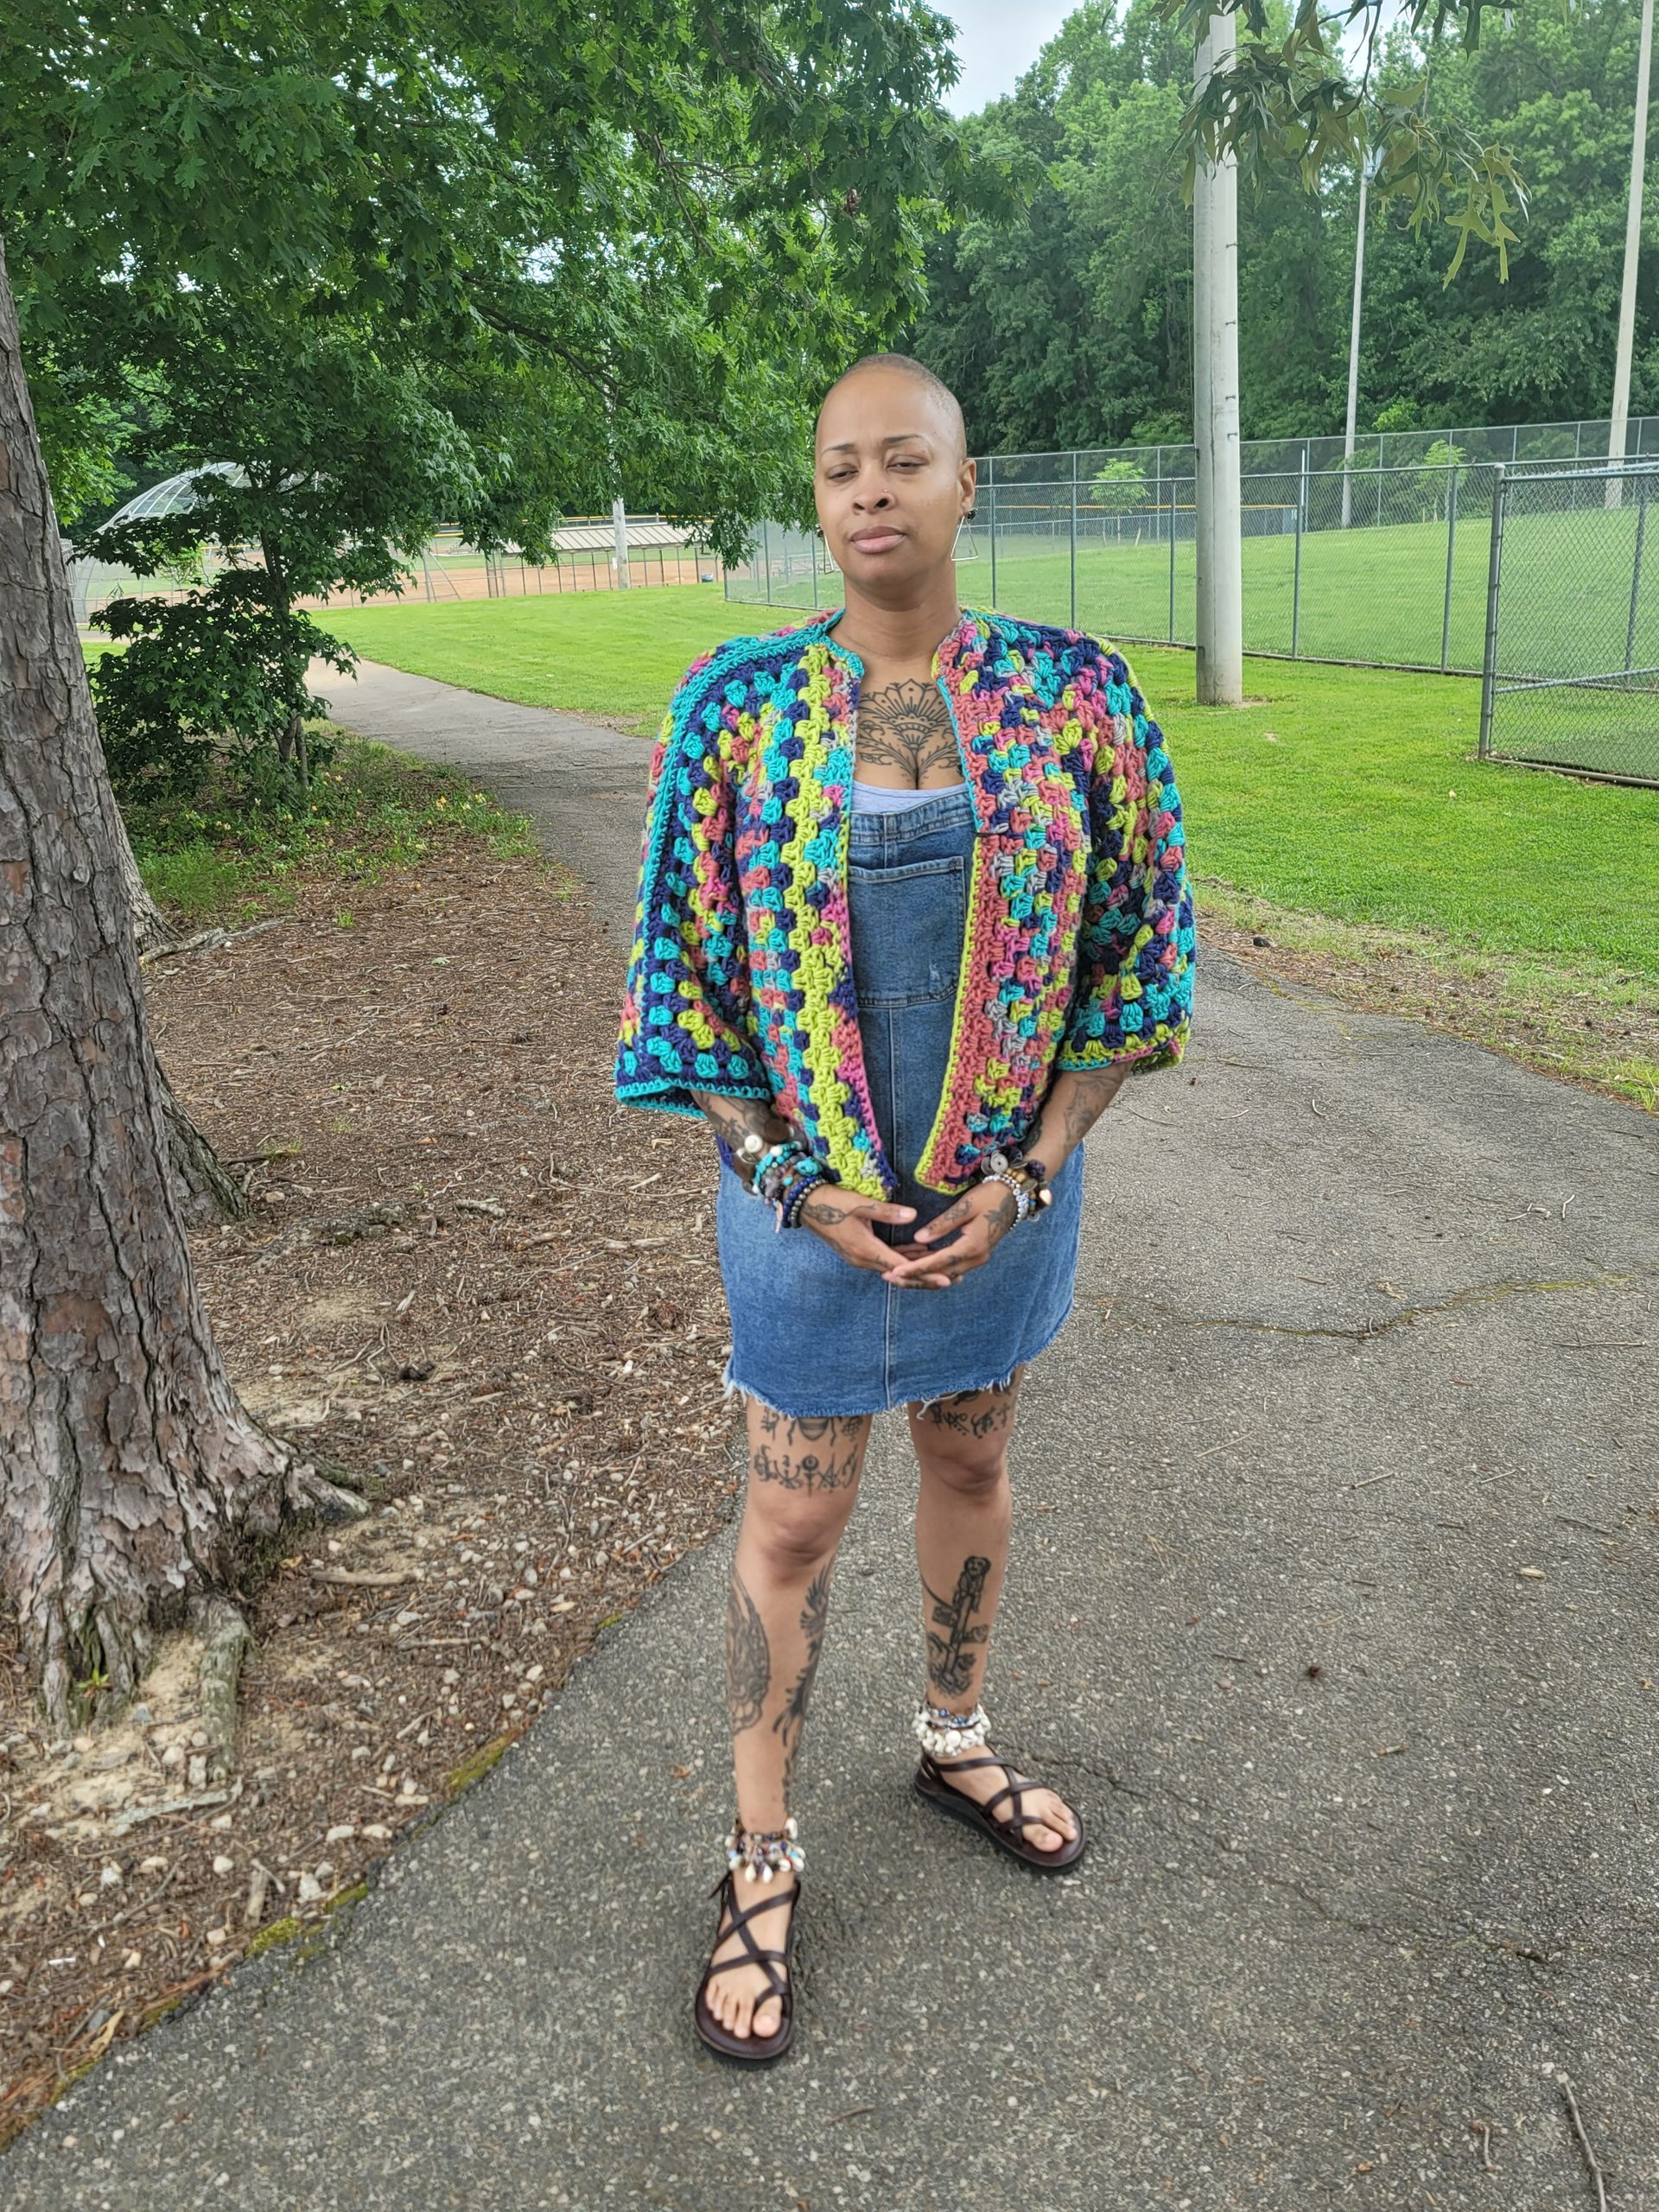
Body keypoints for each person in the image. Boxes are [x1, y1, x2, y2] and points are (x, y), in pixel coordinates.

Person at [613, 353, 1195, 2063]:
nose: (868, 489)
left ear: (964, 484)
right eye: (838, 467)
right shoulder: (734, 710)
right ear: (817, 499)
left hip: (1001, 1216)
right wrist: (796, 1183)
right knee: (790, 1525)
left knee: (972, 1463)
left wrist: (1028, 1173)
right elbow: (684, 998)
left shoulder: (1078, 700)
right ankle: (762, 1847)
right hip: (802, 1223)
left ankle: (954, 1734)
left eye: (903, 460)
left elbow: (1135, 970)